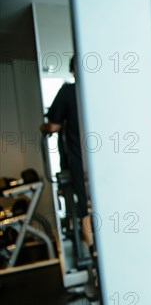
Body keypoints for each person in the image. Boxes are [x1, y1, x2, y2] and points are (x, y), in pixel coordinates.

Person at [40, 57, 93, 247]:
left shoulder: (69, 91)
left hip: (82, 163)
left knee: (85, 209)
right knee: (94, 206)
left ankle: (94, 251)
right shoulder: (99, 92)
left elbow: (53, 127)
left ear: (72, 71)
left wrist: (43, 127)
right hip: (95, 162)